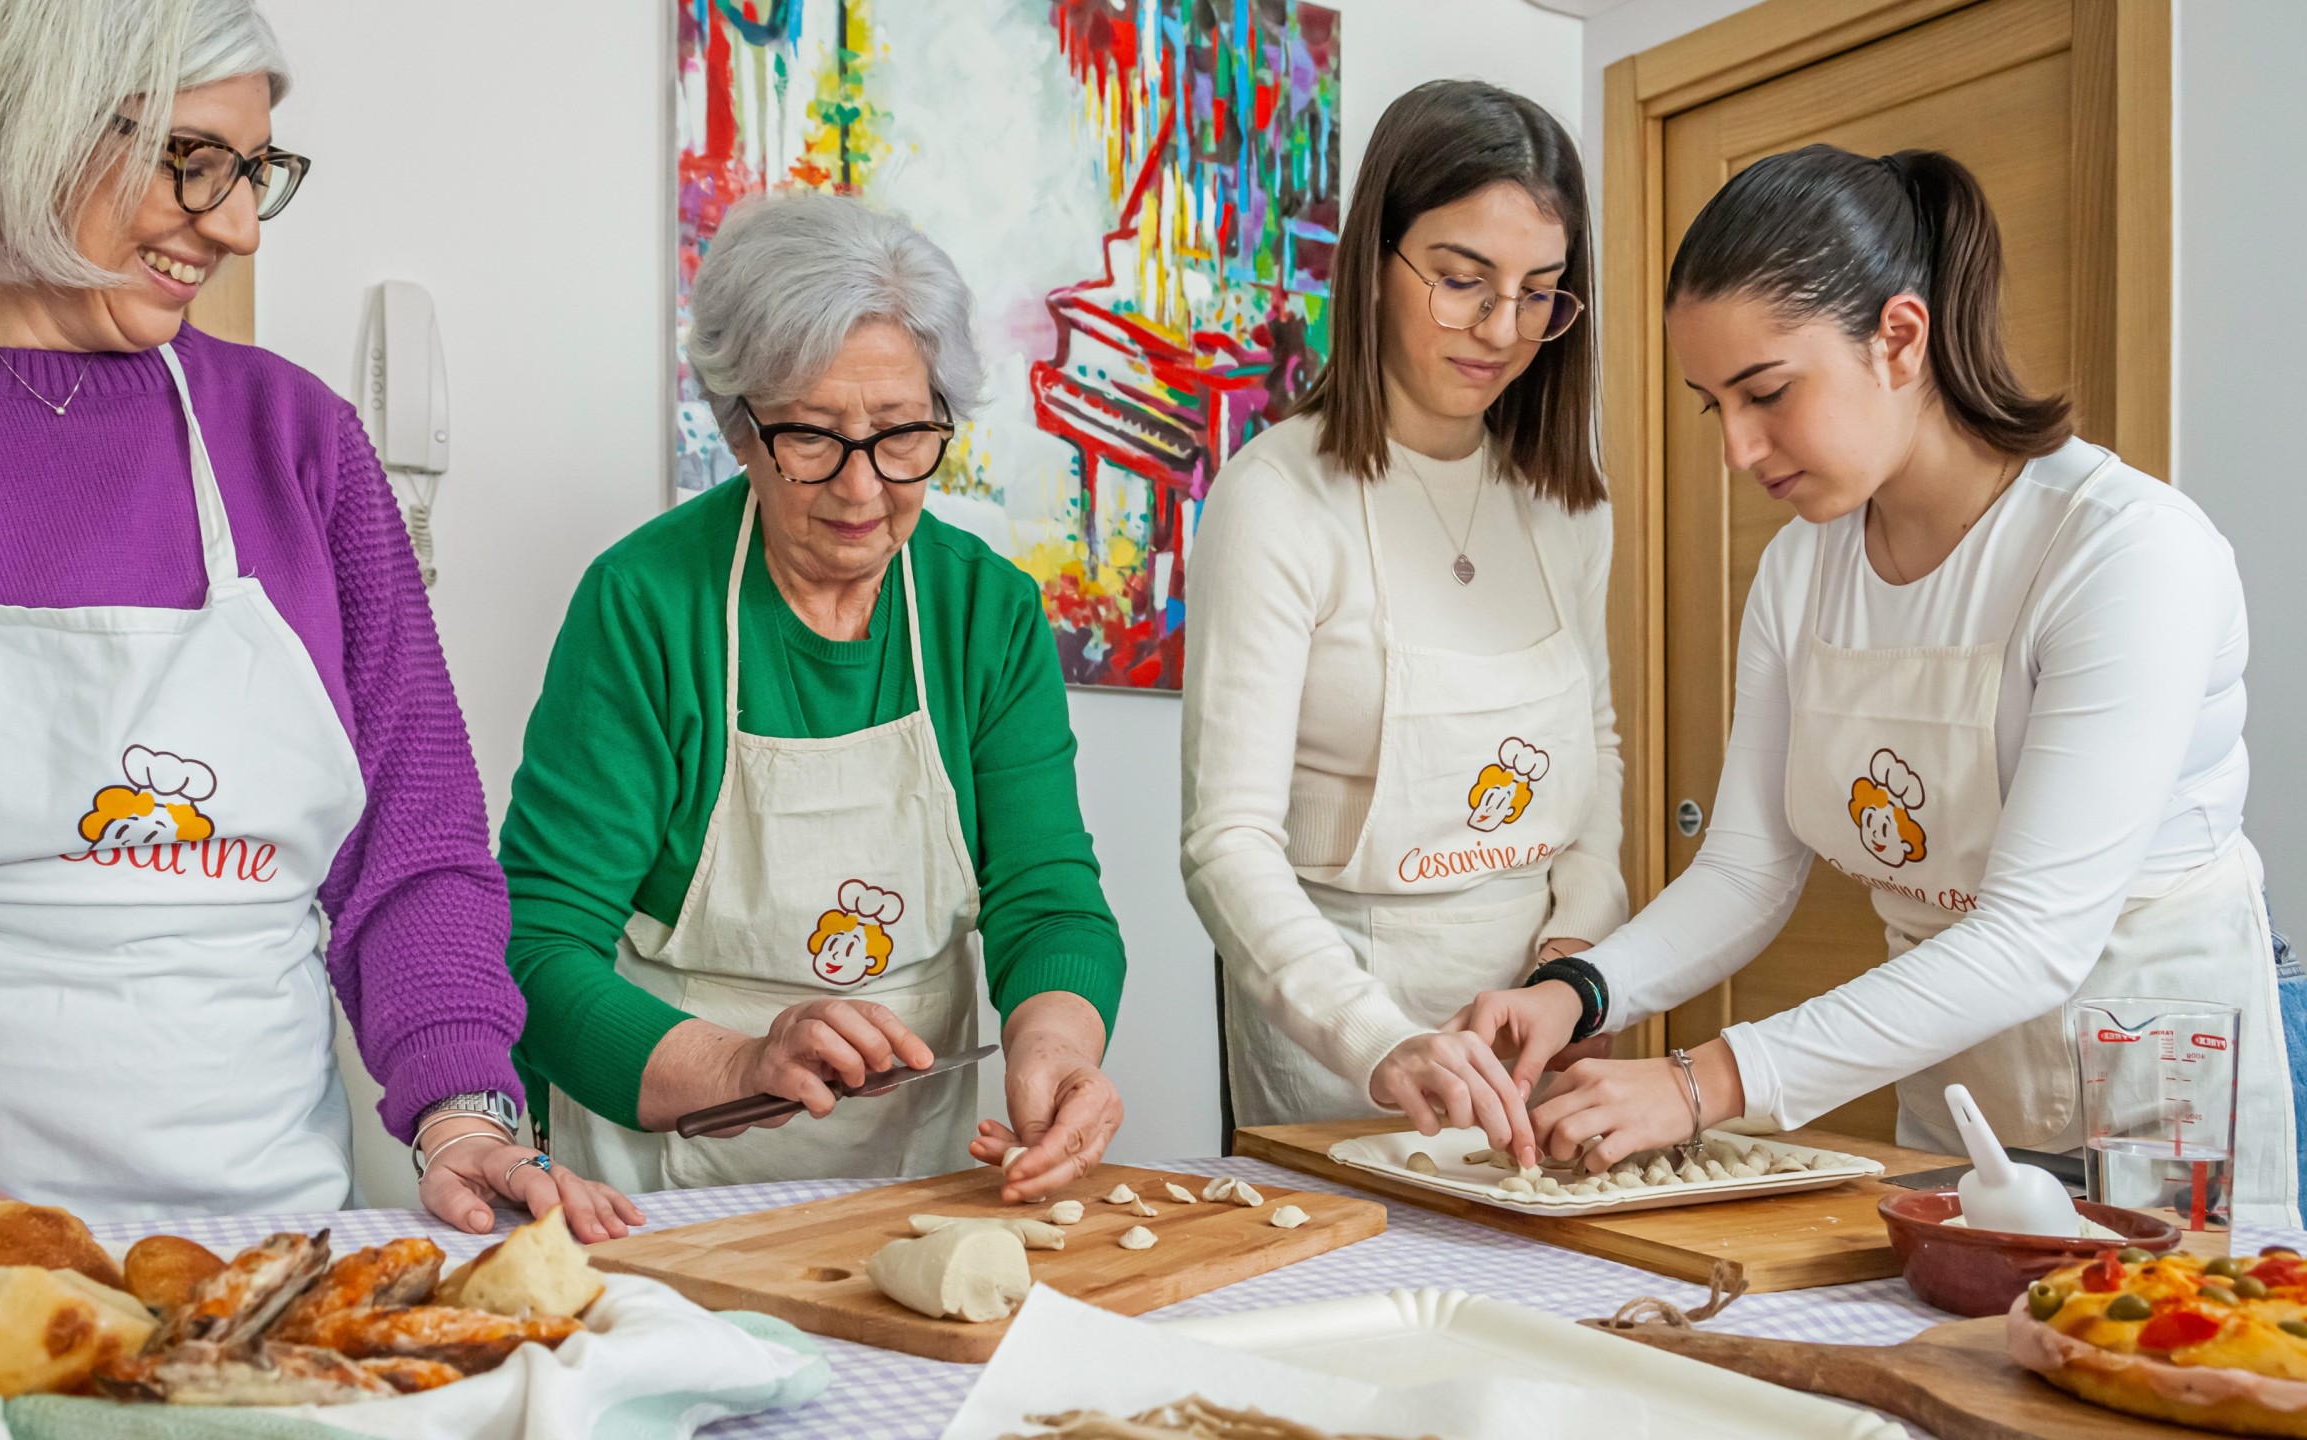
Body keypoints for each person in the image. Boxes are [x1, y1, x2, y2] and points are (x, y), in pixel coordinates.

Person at [0, 0, 637, 1239]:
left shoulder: (300, 442)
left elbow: (412, 848)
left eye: (253, 171)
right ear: (20, 123)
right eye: (192, 158)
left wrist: (465, 1111)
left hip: (260, 1249)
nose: (232, 224)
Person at [1457, 145, 2300, 1226]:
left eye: (1766, 392)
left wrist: (1698, 1083)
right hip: (1962, 1099)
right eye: (1713, 406)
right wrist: (1580, 991)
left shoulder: (2124, 554)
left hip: (2164, 1102)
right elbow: (1749, 870)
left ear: (1899, 337)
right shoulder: (1802, 570)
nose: (1739, 449)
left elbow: (2032, 937)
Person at [501, 191, 1127, 1200]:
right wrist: (743, 1065)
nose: (862, 489)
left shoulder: (986, 612)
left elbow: (1046, 898)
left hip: (911, 1181)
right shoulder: (645, 604)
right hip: (657, 1187)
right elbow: (534, 946)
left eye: (899, 434)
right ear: (741, 431)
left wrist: (1055, 1046)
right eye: (813, 438)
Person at [1180, 80, 1623, 1152]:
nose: (1501, 330)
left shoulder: (1565, 502)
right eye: (1463, 282)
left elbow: (1592, 755)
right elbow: (1225, 842)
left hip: (1533, 1016)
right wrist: (1380, 1039)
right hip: (1339, 1021)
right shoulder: (1279, 498)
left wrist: (1575, 962)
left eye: (1539, 295)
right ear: (1374, 262)